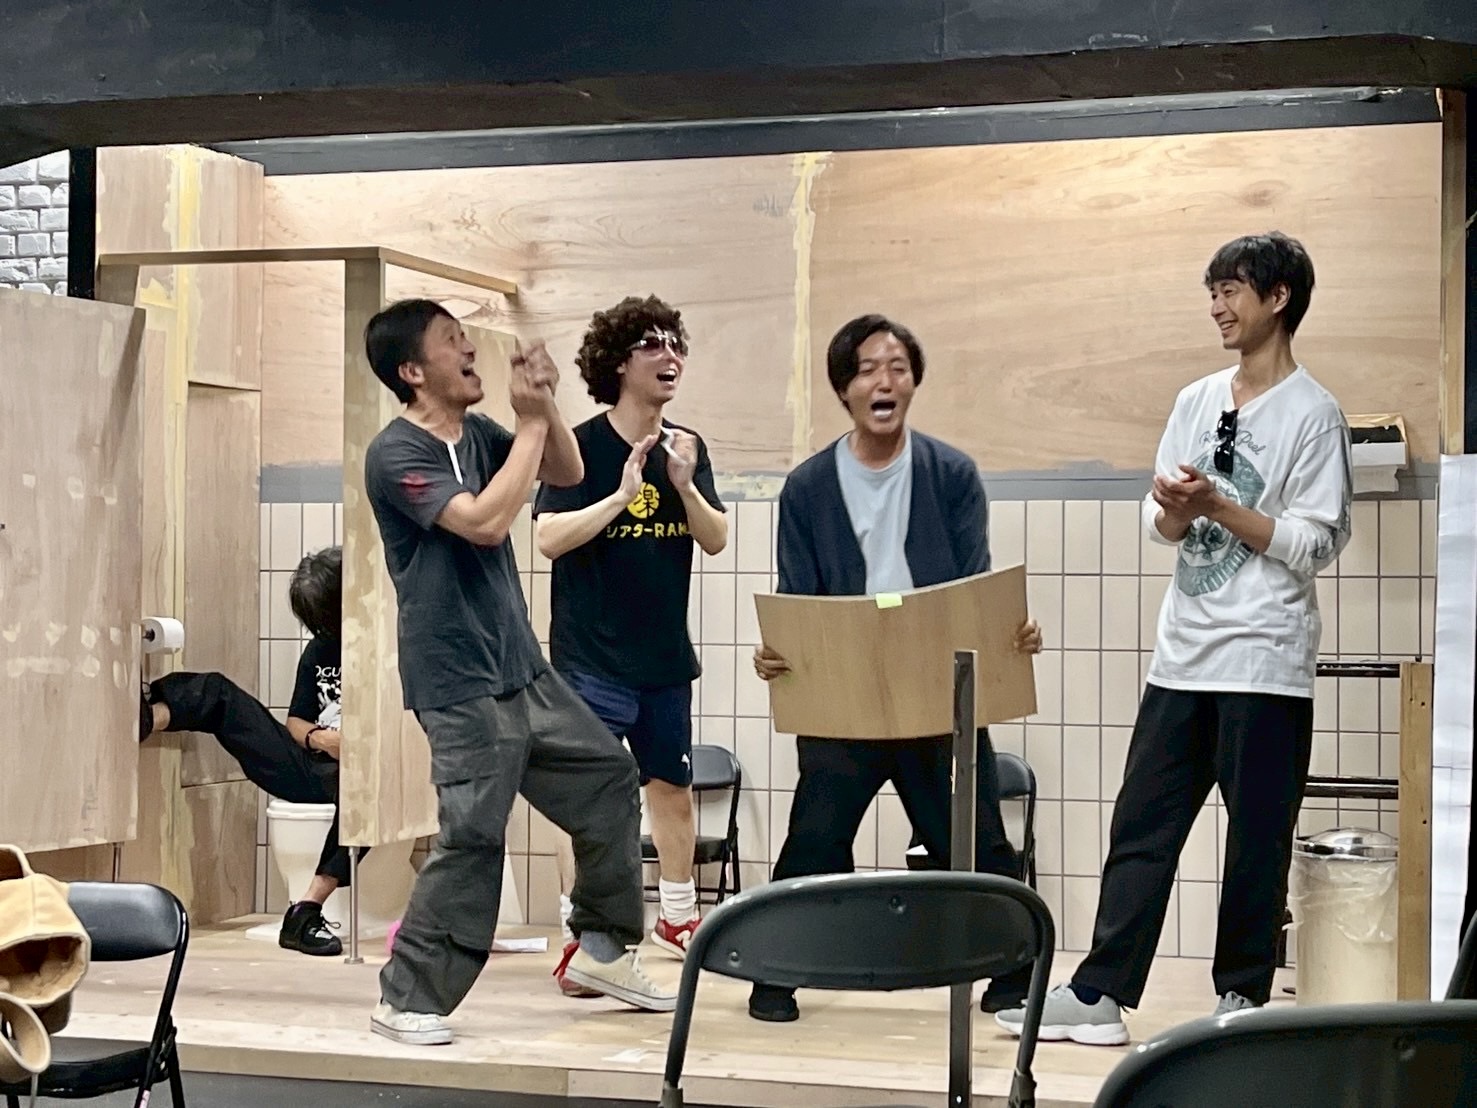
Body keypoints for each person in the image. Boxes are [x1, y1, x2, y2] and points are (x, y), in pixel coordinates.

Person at [996, 231, 1353, 1047]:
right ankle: (1099, 994)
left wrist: (1217, 506)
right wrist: (1174, 508)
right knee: (1140, 828)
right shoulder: (1195, 400)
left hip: (1264, 659)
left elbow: (1314, 542)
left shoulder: (1313, 413)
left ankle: (1241, 999)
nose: (1217, 308)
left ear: (1277, 299)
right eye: (1212, 292)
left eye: (1231, 291)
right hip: (1181, 655)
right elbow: (1157, 526)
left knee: (1255, 840)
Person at [361, 299, 675, 1047]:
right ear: (412, 371)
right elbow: (482, 522)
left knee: (607, 778)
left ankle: (601, 950)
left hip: (519, 665)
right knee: (473, 832)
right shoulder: (394, 453)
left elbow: (567, 469)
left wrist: (544, 408)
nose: (470, 351)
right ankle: (405, 998)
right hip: (457, 680)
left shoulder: (477, 434)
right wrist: (531, 422)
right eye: (452, 342)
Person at [750, 313, 1044, 1023]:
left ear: (913, 382)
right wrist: (778, 653)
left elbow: (973, 586)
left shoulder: (951, 474)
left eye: (897, 368)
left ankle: (1012, 974)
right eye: (866, 370)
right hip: (843, 695)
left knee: (973, 839)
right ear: (842, 389)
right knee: (814, 838)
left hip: (936, 691)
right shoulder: (807, 486)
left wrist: (1010, 635)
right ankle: (774, 971)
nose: (884, 381)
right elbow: (798, 598)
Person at [533, 295, 727, 987]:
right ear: (618, 362)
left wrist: (684, 486)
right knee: (586, 800)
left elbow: (715, 537)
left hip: (663, 658)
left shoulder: (686, 445)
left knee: (671, 787)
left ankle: (677, 916)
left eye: (676, 343)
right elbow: (547, 537)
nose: (669, 355)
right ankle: (578, 931)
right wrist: (618, 497)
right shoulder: (578, 446)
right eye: (652, 344)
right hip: (589, 661)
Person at [138, 545, 358, 957]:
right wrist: (321, 739)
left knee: (364, 789)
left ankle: (306, 911)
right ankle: (149, 714)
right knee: (220, 692)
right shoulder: (320, 650)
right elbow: (295, 722)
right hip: (310, 763)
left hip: (358, 776)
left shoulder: (389, 650)